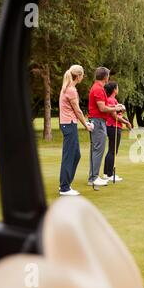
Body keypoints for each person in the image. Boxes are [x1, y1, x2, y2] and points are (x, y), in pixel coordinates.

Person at [58, 65, 94, 196]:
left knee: (75, 155)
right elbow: (77, 111)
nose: (83, 78)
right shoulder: (71, 90)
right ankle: (64, 187)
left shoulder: (67, 88)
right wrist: (86, 125)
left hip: (68, 124)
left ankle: (65, 184)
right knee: (70, 155)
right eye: (82, 75)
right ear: (78, 76)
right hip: (69, 124)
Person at [87, 67, 123, 186]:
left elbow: (105, 105)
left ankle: (94, 176)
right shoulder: (98, 88)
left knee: (98, 149)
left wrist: (116, 106)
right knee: (98, 149)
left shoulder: (99, 88)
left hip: (99, 121)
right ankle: (93, 178)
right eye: (108, 75)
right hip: (97, 121)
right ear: (105, 77)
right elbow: (102, 108)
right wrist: (116, 108)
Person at [102, 82, 132, 182]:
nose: (118, 89)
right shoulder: (111, 100)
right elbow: (114, 116)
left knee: (111, 150)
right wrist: (126, 122)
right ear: (114, 89)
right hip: (113, 127)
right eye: (117, 88)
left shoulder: (113, 100)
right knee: (113, 151)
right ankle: (109, 175)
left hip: (113, 127)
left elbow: (117, 114)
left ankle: (106, 173)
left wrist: (123, 117)